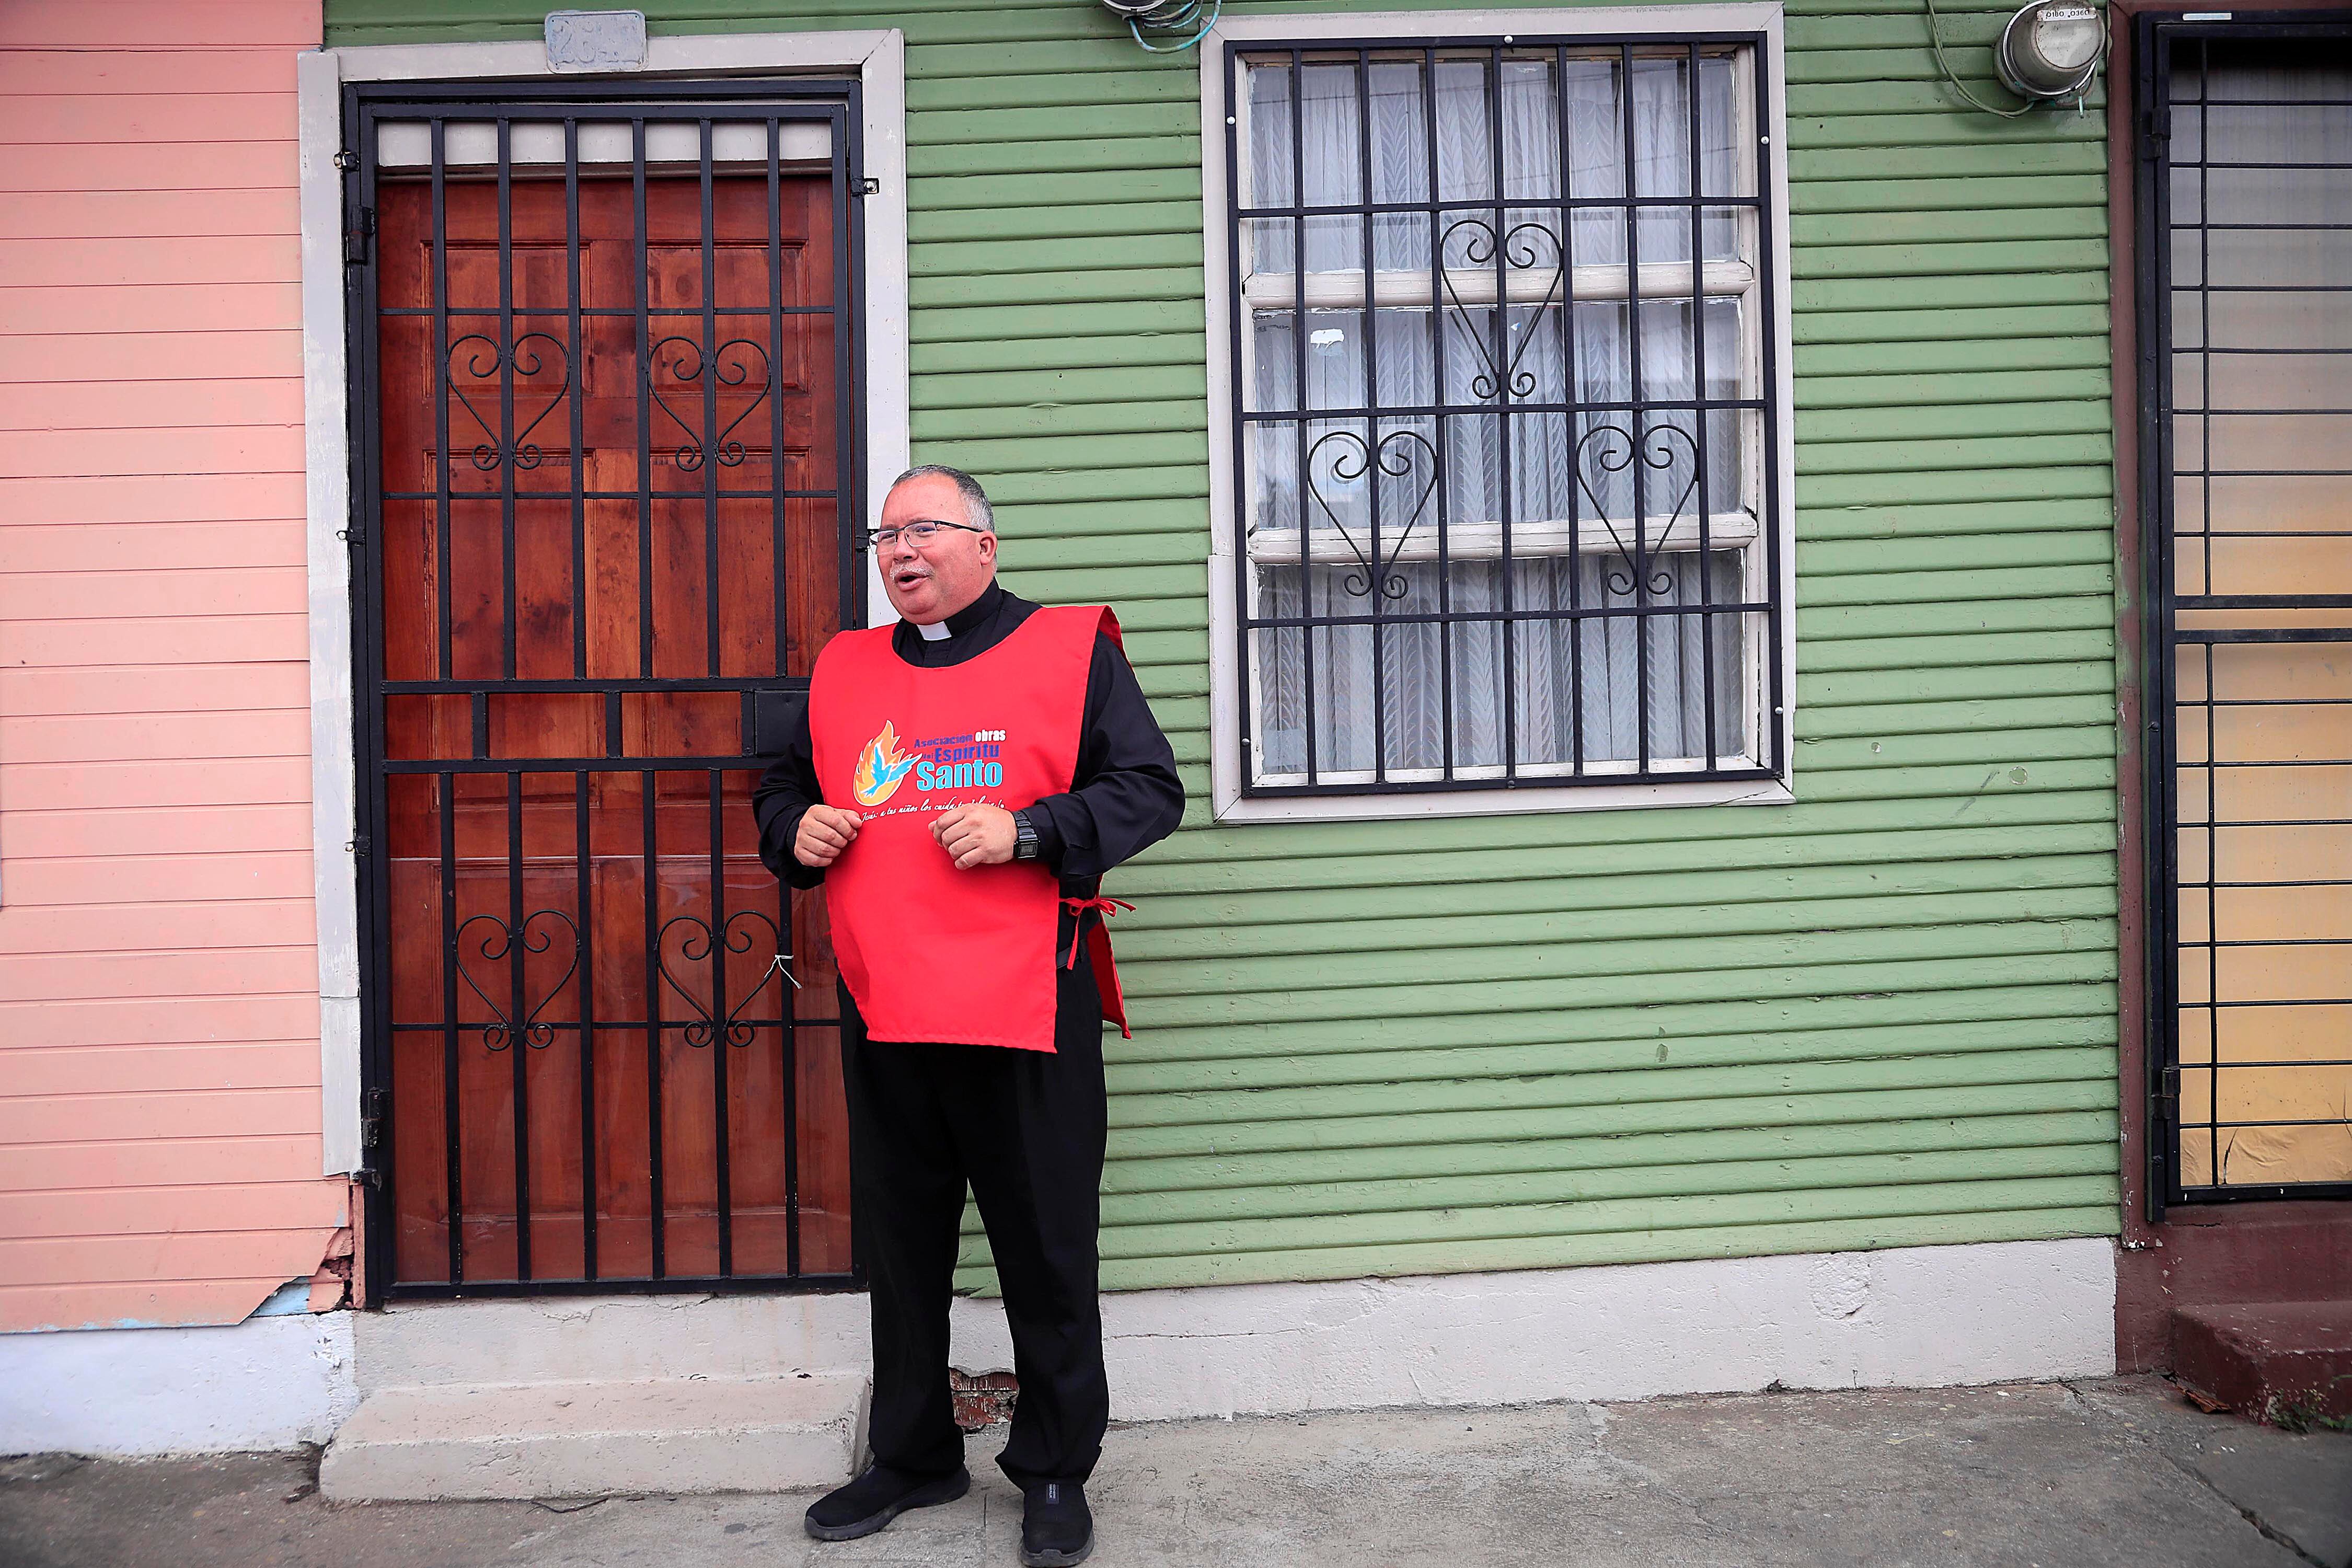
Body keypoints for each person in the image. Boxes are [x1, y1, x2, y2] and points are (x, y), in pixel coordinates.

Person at [753, 464, 1183, 1568]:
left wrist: (1030, 831)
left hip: (1026, 1003)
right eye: (886, 536)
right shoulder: (845, 667)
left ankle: (1054, 1469)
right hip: (887, 1004)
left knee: (1046, 1248)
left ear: (984, 547)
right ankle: (913, 1455)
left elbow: (1149, 789)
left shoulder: (1070, 648)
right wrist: (794, 830)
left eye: (926, 530)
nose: (901, 551)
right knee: (902, 1251)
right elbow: (781, 786)